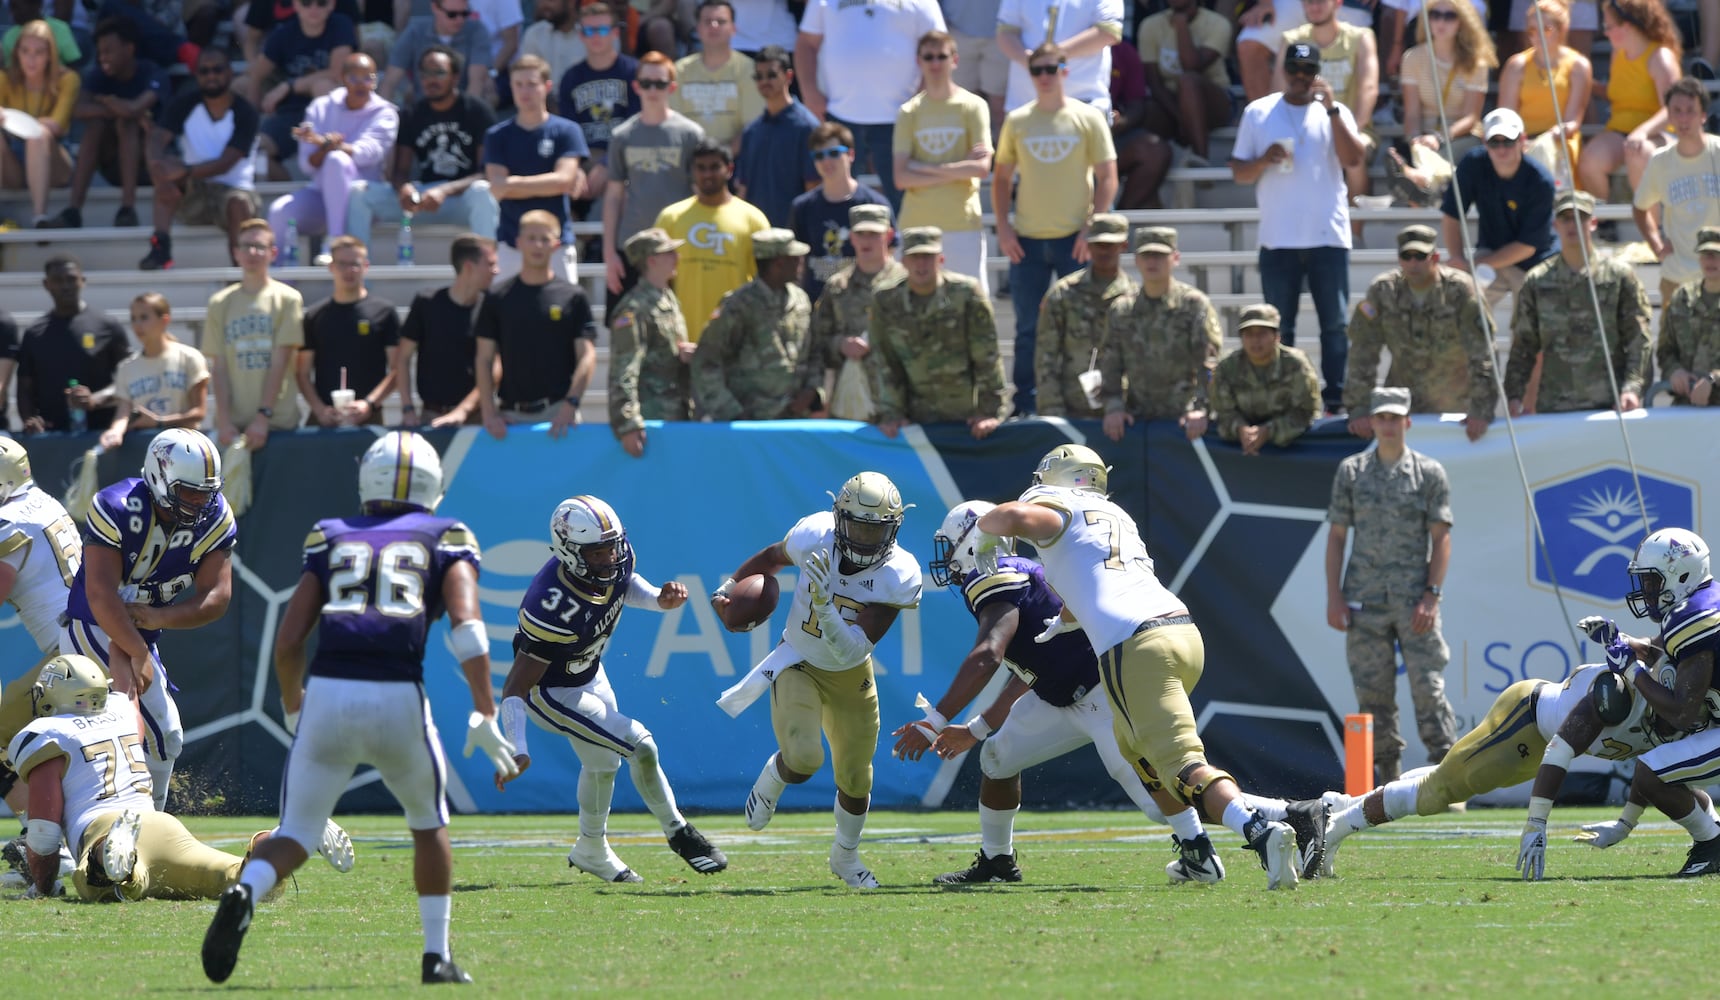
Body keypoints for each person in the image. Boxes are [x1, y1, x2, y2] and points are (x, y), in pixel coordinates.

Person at [201, 431, 519, 986]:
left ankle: (245, 891)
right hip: (397, 695)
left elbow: (289, 639)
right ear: (433, 485)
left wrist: (294, 705)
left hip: (328, 694)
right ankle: (435, 956)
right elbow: (468, 633)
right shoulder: (448, 534)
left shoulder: (332, 535)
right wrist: (486, 711)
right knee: (427, 823)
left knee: (298, 832)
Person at [897, 501, 1293, 886]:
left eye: (950, 544)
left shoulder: (994, 575)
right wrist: (979, 728)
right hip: (1059, 696)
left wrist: (934, 721)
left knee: (1161, 800)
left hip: (1106, 694)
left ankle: (1288, 816)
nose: (947, 556)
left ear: (972, 540)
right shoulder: (1022, 572)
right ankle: (997, 860)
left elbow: (988, 656)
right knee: (997, 758)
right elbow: (1033, 668)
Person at [977, 445, 1314, 889]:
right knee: (1135, 750)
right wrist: (1063, 623)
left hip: (1134, 646)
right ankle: (1196, 855)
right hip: (1181, 632)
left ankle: (1262, 830)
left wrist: (986, 531)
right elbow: (1093, 580)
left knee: (1180, 763)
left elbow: (1011, 517)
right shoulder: (1117, 516)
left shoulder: (1059, 506)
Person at [493, 496, 726, 882]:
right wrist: (516, 747)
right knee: (641, 745)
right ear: (569, 552)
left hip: (589, 673)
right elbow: (516, 685)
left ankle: (591, 849)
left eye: (611, 547)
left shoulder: (616, 558)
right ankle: (680, 833)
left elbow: (623, 584)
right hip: (550, 693)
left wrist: (657, 599)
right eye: (597, 552)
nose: (609, 558)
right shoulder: (550, 603)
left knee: (603, 764)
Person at [712, 471, 923, 889]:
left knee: (856, 775)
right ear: (838, 517)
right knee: (805, 759)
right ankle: (775, 774)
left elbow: (852, 650)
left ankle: (845, 858)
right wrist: (731, 586)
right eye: (856, 525)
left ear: (893, 528)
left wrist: (825, 607)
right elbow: (772, 557)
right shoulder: (815, 534)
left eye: (873, 528)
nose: (863, 538)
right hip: (799, 661)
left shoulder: (899, 573)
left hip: (849, 673)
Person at [7, 655, 353, 902]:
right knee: (238, 879)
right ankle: (284, 834)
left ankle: (107, 857)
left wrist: (43, 885)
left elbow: (44, 832)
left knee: (93, 886)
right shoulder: (125, 712)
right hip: (162, 825)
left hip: (104, 825)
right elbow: (127, 686)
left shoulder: (48, 734)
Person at [1323, 659, 1685, 877]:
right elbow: (1560, 752)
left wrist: (1625, 825)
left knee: (1447, 782)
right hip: (1525, 721)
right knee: (1435, 794)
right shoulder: (1619, 695)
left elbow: (1649, 770)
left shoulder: (1674, 721)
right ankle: (1334, 829)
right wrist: (1536, 824)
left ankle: (1343, 805)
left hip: (1537, 744)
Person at [1528, 529, 1720, 878]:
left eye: (1651, 581)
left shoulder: (1695, 618)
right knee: (1658, 767)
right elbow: (1663, 649)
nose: (1646, 591)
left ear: (1682, 576)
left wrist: (1632, 671)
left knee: (1652, 770)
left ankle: (1712, 842)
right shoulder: (1701, 603)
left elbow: (1680, 713)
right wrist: (1622, 641)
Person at [62, 428, 233, 812]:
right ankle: (75, 830)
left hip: (140, 630)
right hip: (93, 625)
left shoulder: (214, 515)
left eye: (207, 491)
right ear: (159, 477)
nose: (201, 501)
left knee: (164, 736)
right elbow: (100, 594)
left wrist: (159, 617)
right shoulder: (118, 505)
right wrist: (137, 652)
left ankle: (144, 823)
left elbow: (217, 597)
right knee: (123, 734)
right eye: (190, 491)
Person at [1324, 386, 1456, 783]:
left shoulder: (1428, 472)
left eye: (1395, 418)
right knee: (1372, 694)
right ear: (1372, 422)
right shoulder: (1351, 472)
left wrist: (1431, 596)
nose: (1387, 425)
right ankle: (1388, 777)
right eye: (1381, 417)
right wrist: (1334, 597)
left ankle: (1446, 774)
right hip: (1363, 601)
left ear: (1407, 422)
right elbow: (1336, 538)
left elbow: (1442, 538)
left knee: (1428, 689)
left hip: (1414, 600)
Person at [1229, 40, 1362, 415]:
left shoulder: (1335, 112)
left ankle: (1335, 400)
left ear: (1318, 73)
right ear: (1283, 71)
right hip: (1278, 237)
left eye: (1308, 71)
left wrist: (1333, 109)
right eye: (1294, 70)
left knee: (1334, 327)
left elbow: (1354, 159)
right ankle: (1280, 402)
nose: (1301, 78)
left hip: (1328, 236)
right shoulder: (1259, 112)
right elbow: (1239, 172)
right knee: (1277, 330)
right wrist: (1262, 161)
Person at [993, 42, 1117, 418]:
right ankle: (1025, 404)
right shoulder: (1017, 120)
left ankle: (1094, 402)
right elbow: (1000, 180)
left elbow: (1108, 176)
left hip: (1074, 241)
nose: (1045, 76)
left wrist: (1090, 229)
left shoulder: (1088, 117)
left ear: (1066, 70)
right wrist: (1004, 228)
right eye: (1037, 70)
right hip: (1028, 239)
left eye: (1051, 68)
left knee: (1090, 328)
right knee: (1028, 328)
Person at [1342, 224, 1497, 442]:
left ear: (1435, 257)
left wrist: (1481, 410)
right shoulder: (1383, 291)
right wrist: (1359, 408)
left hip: (1454, 407)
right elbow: (1363, 352)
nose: (1413, 263)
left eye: (1420, 256)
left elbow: (1483, 353)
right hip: (1400, 407)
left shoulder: (1461, 290)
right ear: (1399, 259)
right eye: (1407, 256)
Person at [1504, 188, 1650, 415]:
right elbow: (1524, 345)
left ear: (1593, 223)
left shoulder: (1619, 276)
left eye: (1579, 218)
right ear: (1555, 225)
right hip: (1555, 406)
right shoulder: (1537, 281)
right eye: (1565, 218)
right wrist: (1514, 395)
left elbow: (1637, 338)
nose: (1572, 225)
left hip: (1610, 404)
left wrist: (1632, 388)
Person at [796, 0, 943, 211]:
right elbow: (806, 43)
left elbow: (937, 48)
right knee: (838, 198)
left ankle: (904, 244)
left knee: (905, 202)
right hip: (839, 115)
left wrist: (921, 101)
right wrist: (809, 92)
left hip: (900, 118)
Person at [351, 46, 498, 246]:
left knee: (482, 191)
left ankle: (488, 270)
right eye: (425, 73)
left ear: (455, 77)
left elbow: (486, 173)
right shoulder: (411, 114)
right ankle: (355, 272)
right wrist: (404, 188)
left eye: (438, 72)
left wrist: (444, 190)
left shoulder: (477, 111)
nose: (431, 79)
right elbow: (400, 172)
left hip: (463, 199)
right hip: (423, 199)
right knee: (359, 193)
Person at [868, 226, 1007, 439]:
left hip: (966, 418)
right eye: (914, 257)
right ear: (903, 261)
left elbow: (987, 356)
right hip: (913, 419)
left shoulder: (967, 294)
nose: (921, 264)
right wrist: (892, 413)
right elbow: (885, 360)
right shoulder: (886, 300)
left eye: (927, 257)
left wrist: (988, 412)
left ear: (941, 259)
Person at [474, 209, 598, 439]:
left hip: (560, 416)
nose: (538, 245)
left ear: (556, 245)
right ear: (518, 242)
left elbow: (587, 356)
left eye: (545, 239)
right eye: (531, 238)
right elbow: (484, 359)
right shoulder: (497, 297)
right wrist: (489, 413)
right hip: (510, 418)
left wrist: (570, 406)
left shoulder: (573, 296)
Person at [267, 53, 398, 262]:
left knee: (337, 160)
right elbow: (307, 165)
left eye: (369, 78)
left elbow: (368, 153)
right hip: (322, 196)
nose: (362, 85)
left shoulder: (386, 112)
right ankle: (282, 282)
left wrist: (326, 145)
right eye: (354, 78)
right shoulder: (320, 107)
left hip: (364, 200)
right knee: (279, 212)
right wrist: (324, 147)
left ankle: (334, 242)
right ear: (342, 78)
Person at [140, 47, 260, 271]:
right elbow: (157, 137)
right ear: (196, 75)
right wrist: (159, 168)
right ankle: (160, 250)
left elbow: (228, 162)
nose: (211, 75)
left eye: (217, 69)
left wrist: (184, 171)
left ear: (230, 72)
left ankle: (242, 272)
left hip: (234, 189)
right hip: (196, 191)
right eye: (204, 71)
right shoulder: (184, 104)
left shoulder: (246, 112)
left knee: (239, 203)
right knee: (165, 183)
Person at [1099, 225, 1222, 443]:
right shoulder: (1122, 310)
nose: (1152, 262)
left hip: (1184, 421)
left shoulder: (1193, 305)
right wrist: (1114, 408)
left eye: (1160, 255)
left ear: (1175, 258)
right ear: (1137, 260)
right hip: (1135, 421)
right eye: (1146, 255)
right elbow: (1110, 364)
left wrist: (1202, 408)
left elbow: (1209, 363)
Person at [893, 30, 993, 294]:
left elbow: (982, 168)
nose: (935, 63)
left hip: (962, 224)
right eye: (929, 57)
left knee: (969, 306)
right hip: (915, 226)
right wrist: (959, 168)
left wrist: (923, 168)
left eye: (942, 56)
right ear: (919, 61)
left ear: (955, 60)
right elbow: (901, 177)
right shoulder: (908, 112)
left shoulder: (974, 106)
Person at [42, 17, 167, 229]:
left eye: (109, 51)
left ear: (129, 49)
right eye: (99, 52)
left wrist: (109, 102)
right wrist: (115, 107)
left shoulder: (153, 73)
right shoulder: (99, 75)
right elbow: (79, 109)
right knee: (96, 125)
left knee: (127, 125)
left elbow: (135, 108)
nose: (102, 58)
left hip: (149, 166)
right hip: (112, 165)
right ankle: (73, 211)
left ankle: (128, 208)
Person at [602, 52, 705, 298]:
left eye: (659, 83)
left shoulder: (691, 134)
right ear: (636, 86)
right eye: (646, 83)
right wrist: (609, 254)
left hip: (678, 245)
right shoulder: (622, 135)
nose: (652, 89)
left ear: (672, 87)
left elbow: (700, 192)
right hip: (633, 247)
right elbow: (614, 196)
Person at [691, 228, 820, 421]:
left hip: (794, 419)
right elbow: (706, 361)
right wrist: (731, 411)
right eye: (795, 258)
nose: (801, 262)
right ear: (779, 263)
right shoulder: (738, 305)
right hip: (749, 422)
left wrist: (812, 391)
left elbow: (814, 352)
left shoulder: (800, 300)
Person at [1440, 108, 1560, 312]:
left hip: (1535, 261)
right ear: (1485, 143)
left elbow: (1528, 246)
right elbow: (1451, 214)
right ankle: (1475, 344)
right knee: (1459, 305)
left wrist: (1472, 264)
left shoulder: (1540, 181)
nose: (1501, 149)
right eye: (1495, 142)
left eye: (1509, 141)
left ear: (1522, 141)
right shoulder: (1472, 165)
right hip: (1490, 254)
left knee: (1530, 326)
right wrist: (1458, 259)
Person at [484, 54, 588, 283]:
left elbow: (564, 181)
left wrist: (513, 183)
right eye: (518, 84)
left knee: (563, 314)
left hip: (557, 244)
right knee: (507, 317)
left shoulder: (567, 131)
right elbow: (498, 189)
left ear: (547, 87)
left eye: (531, 84)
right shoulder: (497, 135)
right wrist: (548, 183)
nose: (524, 91)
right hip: (511, 243)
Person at [653, 139, 770, 342]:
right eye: (701, 168)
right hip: (683, 339)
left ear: (730, 169)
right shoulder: (670, 218)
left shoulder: (753, 219)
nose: (707, 174)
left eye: (715, 167)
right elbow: (656, 281)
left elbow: (766, 283)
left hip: (737, 340)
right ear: (692, 171)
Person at [204, 218, 304, 449]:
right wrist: (224, 420)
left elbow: (281, 361)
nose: (252, 252)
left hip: (277, 424)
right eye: (246, 246)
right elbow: (218, 367)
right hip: (233, 427)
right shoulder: (219, 302)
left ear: (273, 253)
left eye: (260, 247)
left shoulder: (288, 299)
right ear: (236, 253)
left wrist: (263, 416)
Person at [1384, 0, 1496, 206]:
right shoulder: (1412, 58)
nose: (1440, 21)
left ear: (1462, 22)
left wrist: (1439, 137)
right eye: (1435, 15)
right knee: (1420, 150)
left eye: (1449, 16)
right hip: (1425, 136)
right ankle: (1423, 182)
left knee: (1439, 153)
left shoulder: (1476, 62)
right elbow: (1412, 114)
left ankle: (1418, 178)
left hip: (1462, 136)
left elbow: (1471, 117)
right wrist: (1415, 140)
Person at [1276, 0, 1378, 213]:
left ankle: (1356, 233)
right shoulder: (1291, 40)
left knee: (1355, 155)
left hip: (1351, 127)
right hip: (1302, 128)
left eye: (1320, 1)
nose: (1314, 6)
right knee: (1283, 154)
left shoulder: (1360, 37)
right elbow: (1277, 91)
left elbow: (1369, 88)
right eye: (1308, 2)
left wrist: (1351, 131)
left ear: (1338, 3)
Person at [808, 204, 905, 421]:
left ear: (888, 235)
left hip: (898, 402)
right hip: (849, 401)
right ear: (851, 237)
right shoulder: (837, 286)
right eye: (861, 234)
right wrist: (840, 345)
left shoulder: (906, 283)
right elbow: (816, 341)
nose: (866, 241)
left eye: (874, 234)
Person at [242, 0, 356, 182]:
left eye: (321, 3)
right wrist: (251, 119)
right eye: (306, 2)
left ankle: (329, 161)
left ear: (332, 4)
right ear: (295, 5)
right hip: (292, 113)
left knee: (323, 87)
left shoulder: (341, 25)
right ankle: (292, 196)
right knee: (257, 150)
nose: (313, 9)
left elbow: (338, 72)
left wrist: (289, 86)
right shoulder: (284, 33)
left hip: (332, 119)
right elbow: (257, 73)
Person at [1575, 0, 1679, 198]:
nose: (1605, 32)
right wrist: (1588, 83)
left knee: (1639, 154)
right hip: (1620, 132)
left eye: (1609, 27)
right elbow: (1620, 95)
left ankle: (1649, 225)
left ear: (1627, 27)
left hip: (1658, 134)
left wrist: (1641, 132)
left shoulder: (1660, 57)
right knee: (1589, 160)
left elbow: (1672, 109)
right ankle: (1607, 224)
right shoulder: (1618, 53)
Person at [1035, 213, 1134, 421]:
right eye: (1098, 244)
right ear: (1088, 246)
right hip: (1071, 410)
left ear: (1124, 246)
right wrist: (1052, 409)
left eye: (1110, 244)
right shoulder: (1063, 293)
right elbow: (1046, 356)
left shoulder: (1135, 297)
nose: (1103, 250)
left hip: (1123, 413)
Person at [17, 255, 129, 435]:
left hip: (104, 436)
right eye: (58, 280)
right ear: (46, 284)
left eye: (71, 279)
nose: (65, 286)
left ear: (82, 281)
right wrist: (29, 420)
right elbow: (24, 388)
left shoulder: (108, 326)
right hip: (52, 438)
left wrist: (95, 399)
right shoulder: (34, 333)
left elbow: (129, 380)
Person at [1632, 78, 1720, 307]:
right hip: (1677, 278)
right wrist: (1656, 245)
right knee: (1671, 344)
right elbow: (1640, 208)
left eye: (1690, 111)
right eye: (1677, 111)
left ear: (1703, 116)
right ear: (1668, 117)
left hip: (1718, 276)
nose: (1683, 118)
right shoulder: (1660, 161)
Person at [608, 227, 693, 458]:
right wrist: (627, 423)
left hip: (675, 412)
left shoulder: (667, 297)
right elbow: (624, 368)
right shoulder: (634, 309)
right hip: (650, 419)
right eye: (669, 253)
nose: (677, 257)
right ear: (652, 260)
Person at [396, 233, 497, 427]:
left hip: (476, 419)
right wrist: (408, 409)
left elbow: (495, 369)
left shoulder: (491, 307)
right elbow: (402, 358)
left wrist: (463, 410)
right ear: (469, 266)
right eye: (490, 264)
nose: (496, 271)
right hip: (430, 418)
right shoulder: (427, 303)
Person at [297, 237, 398, 429]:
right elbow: (302, 373)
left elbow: (396, 369)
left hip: (369, 419)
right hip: (325, 419)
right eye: (342, 264)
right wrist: (320, 410)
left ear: (366, 266)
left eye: (355, 264)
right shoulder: (314, 315)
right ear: (331, 267)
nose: (349, 270)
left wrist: (369, 404)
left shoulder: (384, 312)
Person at [790, 122, 890, 301]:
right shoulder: (802, 207)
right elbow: (795, 260)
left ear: (851, 154)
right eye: (819, 155)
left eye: (834, 153)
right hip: (817, 308)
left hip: (865, 306)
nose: (826, 161)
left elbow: (891, 251)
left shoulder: (874, 203)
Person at [1496, 0, 1590, 189]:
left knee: (1543, 151)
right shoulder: (1516, 65)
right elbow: (1506, 116)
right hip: (1521, 139)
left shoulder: (1578, 66)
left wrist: (1547, 138)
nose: (1537, 36)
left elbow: (1572, 121)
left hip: (1559, 140)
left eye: (1545, 29)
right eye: (1531, 31)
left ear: (1562, 29)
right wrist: (1521, 141)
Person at [556, 1, 637, 219]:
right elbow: (568, 130)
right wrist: (579, 166)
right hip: (585, 160)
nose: (596, 36)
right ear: (581, 35)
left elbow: (637, 125)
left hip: (625, 160)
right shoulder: (571, 78)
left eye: (602, 29)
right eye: (589, 30)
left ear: (615, 33)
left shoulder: (633, 72)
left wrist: (607, 162)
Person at [1209, 303, 1321, 455]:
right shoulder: (1227, 367)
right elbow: (1223, 412)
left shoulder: (1296, 364)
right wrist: (1240, 429)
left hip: (1291, 448)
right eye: (1249, 334)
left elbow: (1306, 412)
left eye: (1262, 333)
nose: (1255, 340)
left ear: (1277, 337)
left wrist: (1269, 431)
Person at [100, 294, 209, 449]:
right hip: (145, 449)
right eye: (133, 318)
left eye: (144, 317)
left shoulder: (189, 358)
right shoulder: (126, 367)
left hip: (186, 448)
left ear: (164, 320)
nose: (137, 324)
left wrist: (159, 421)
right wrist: (114, 432)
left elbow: (199, 412)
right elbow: (123, 413)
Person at [0, 21, 78, 229]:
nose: (31, 59)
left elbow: (57, 125)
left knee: (40, 134)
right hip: (13, 166)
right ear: (17, 53)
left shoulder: (68, 79)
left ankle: (39, 216)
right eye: (25, 51)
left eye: (39, 52)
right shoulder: (5, 79)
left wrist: (9, 119)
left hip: (55, 162)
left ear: (50, 55)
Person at [1137, 0, 1233, 162]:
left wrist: (1181, 25)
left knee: (1188, 81)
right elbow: (1154, 83)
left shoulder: (1218, 23)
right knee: (1144, 110)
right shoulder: (1150, 25)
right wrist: (1182, 118)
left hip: (1214, 101)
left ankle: (1201, 159)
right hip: (1170, 104)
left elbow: (1192, 66)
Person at [734, 45, 818, 229]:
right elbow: (743, 188)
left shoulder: (807, 127)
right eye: (759, 76)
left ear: (788, 76)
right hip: (757, 233)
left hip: (794, 233)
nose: (764, 81)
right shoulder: (752, 131)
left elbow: (813, 186)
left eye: (771, 75)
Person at [995, 0, 1119, 118]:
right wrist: (1034, 62)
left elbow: (1109, 32)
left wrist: (1048, 58)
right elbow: (1005, 32)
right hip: (1025, 106)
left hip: (1085, 105)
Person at [671, 0, 761, 154]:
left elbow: (751, 127)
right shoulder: (678, 71)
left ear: (733, 29)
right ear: (698, 29)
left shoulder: (749, 69)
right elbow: (674, 126)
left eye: (721, 21)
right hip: (688, 161)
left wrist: (720, 160)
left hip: (737, 162)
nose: (714, 26)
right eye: (707, 22)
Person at [379, 0, 489, 104]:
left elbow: (476, 81)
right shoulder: (415, 32)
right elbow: (390, 81)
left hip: (462, 106)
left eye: (465, 14)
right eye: (452, 14)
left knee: (489, 87)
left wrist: (467, 116)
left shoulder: (477, 31)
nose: (459, 20)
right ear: (435, 7)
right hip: (424, 110)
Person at [1658, 227, 1720, 407]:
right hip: (1686, 407)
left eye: (1716, 254)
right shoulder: (1682, 299)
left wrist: (1713, 379)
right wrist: (1674, 371)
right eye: (1705, 254)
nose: (1710, 260)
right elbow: (1665, 350)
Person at [519, 0, 587, 89]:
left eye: (551, 0)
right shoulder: (535, 34)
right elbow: (528, 78)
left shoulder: (593, 33)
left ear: (571, 2)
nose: (544, 4)